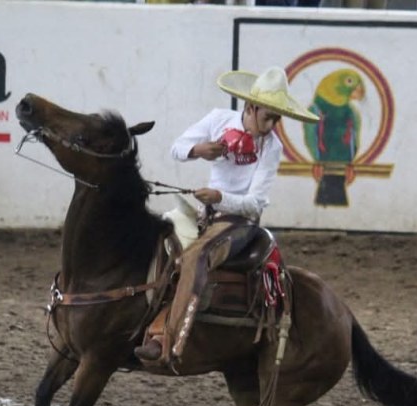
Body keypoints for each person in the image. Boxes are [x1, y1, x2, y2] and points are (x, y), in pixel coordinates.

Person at [133, 66, 318, 364]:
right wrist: (198, 149)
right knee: (157, 238)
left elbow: (254, 204)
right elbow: (176, 148)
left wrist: (220, 197)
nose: (271, 124)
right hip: (203, 212)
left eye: (276, 118)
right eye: (267, 116)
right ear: (250, 107)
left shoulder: (271, 148)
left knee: (196, 257)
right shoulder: (218, 119)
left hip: (238, 223)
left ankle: (167, 339)